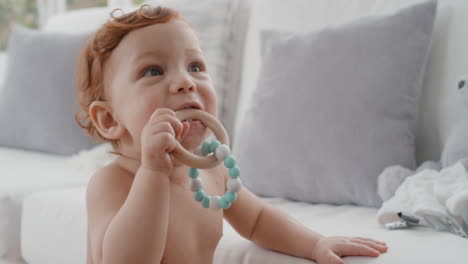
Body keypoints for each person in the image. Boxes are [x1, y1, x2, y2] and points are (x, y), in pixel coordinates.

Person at [75, 5, 388, 264]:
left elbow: (258, 220)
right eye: (154, 71)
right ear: (109, 119)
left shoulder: (210, 170)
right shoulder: (112, 184)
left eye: (195, 66)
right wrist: (153, 170)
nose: (186, 82)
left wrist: (316, 244)